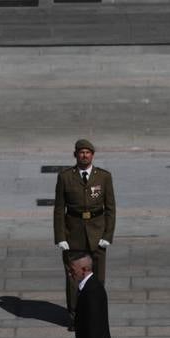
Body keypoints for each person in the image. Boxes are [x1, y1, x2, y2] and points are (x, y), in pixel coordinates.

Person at [53, 139, 116, 326]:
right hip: (74, 234)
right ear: (75, 155)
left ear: (93, 155)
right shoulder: (65, 177)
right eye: (81, 152)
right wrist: (60, 237)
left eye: (88, 152)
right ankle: (75, 315)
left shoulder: (103, 177)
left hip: (97, 234)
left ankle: (96, 314)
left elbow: (111, 208)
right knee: (74, 278)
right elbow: (59, 209)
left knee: (98, 277)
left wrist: (108, 235)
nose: (84, 155)